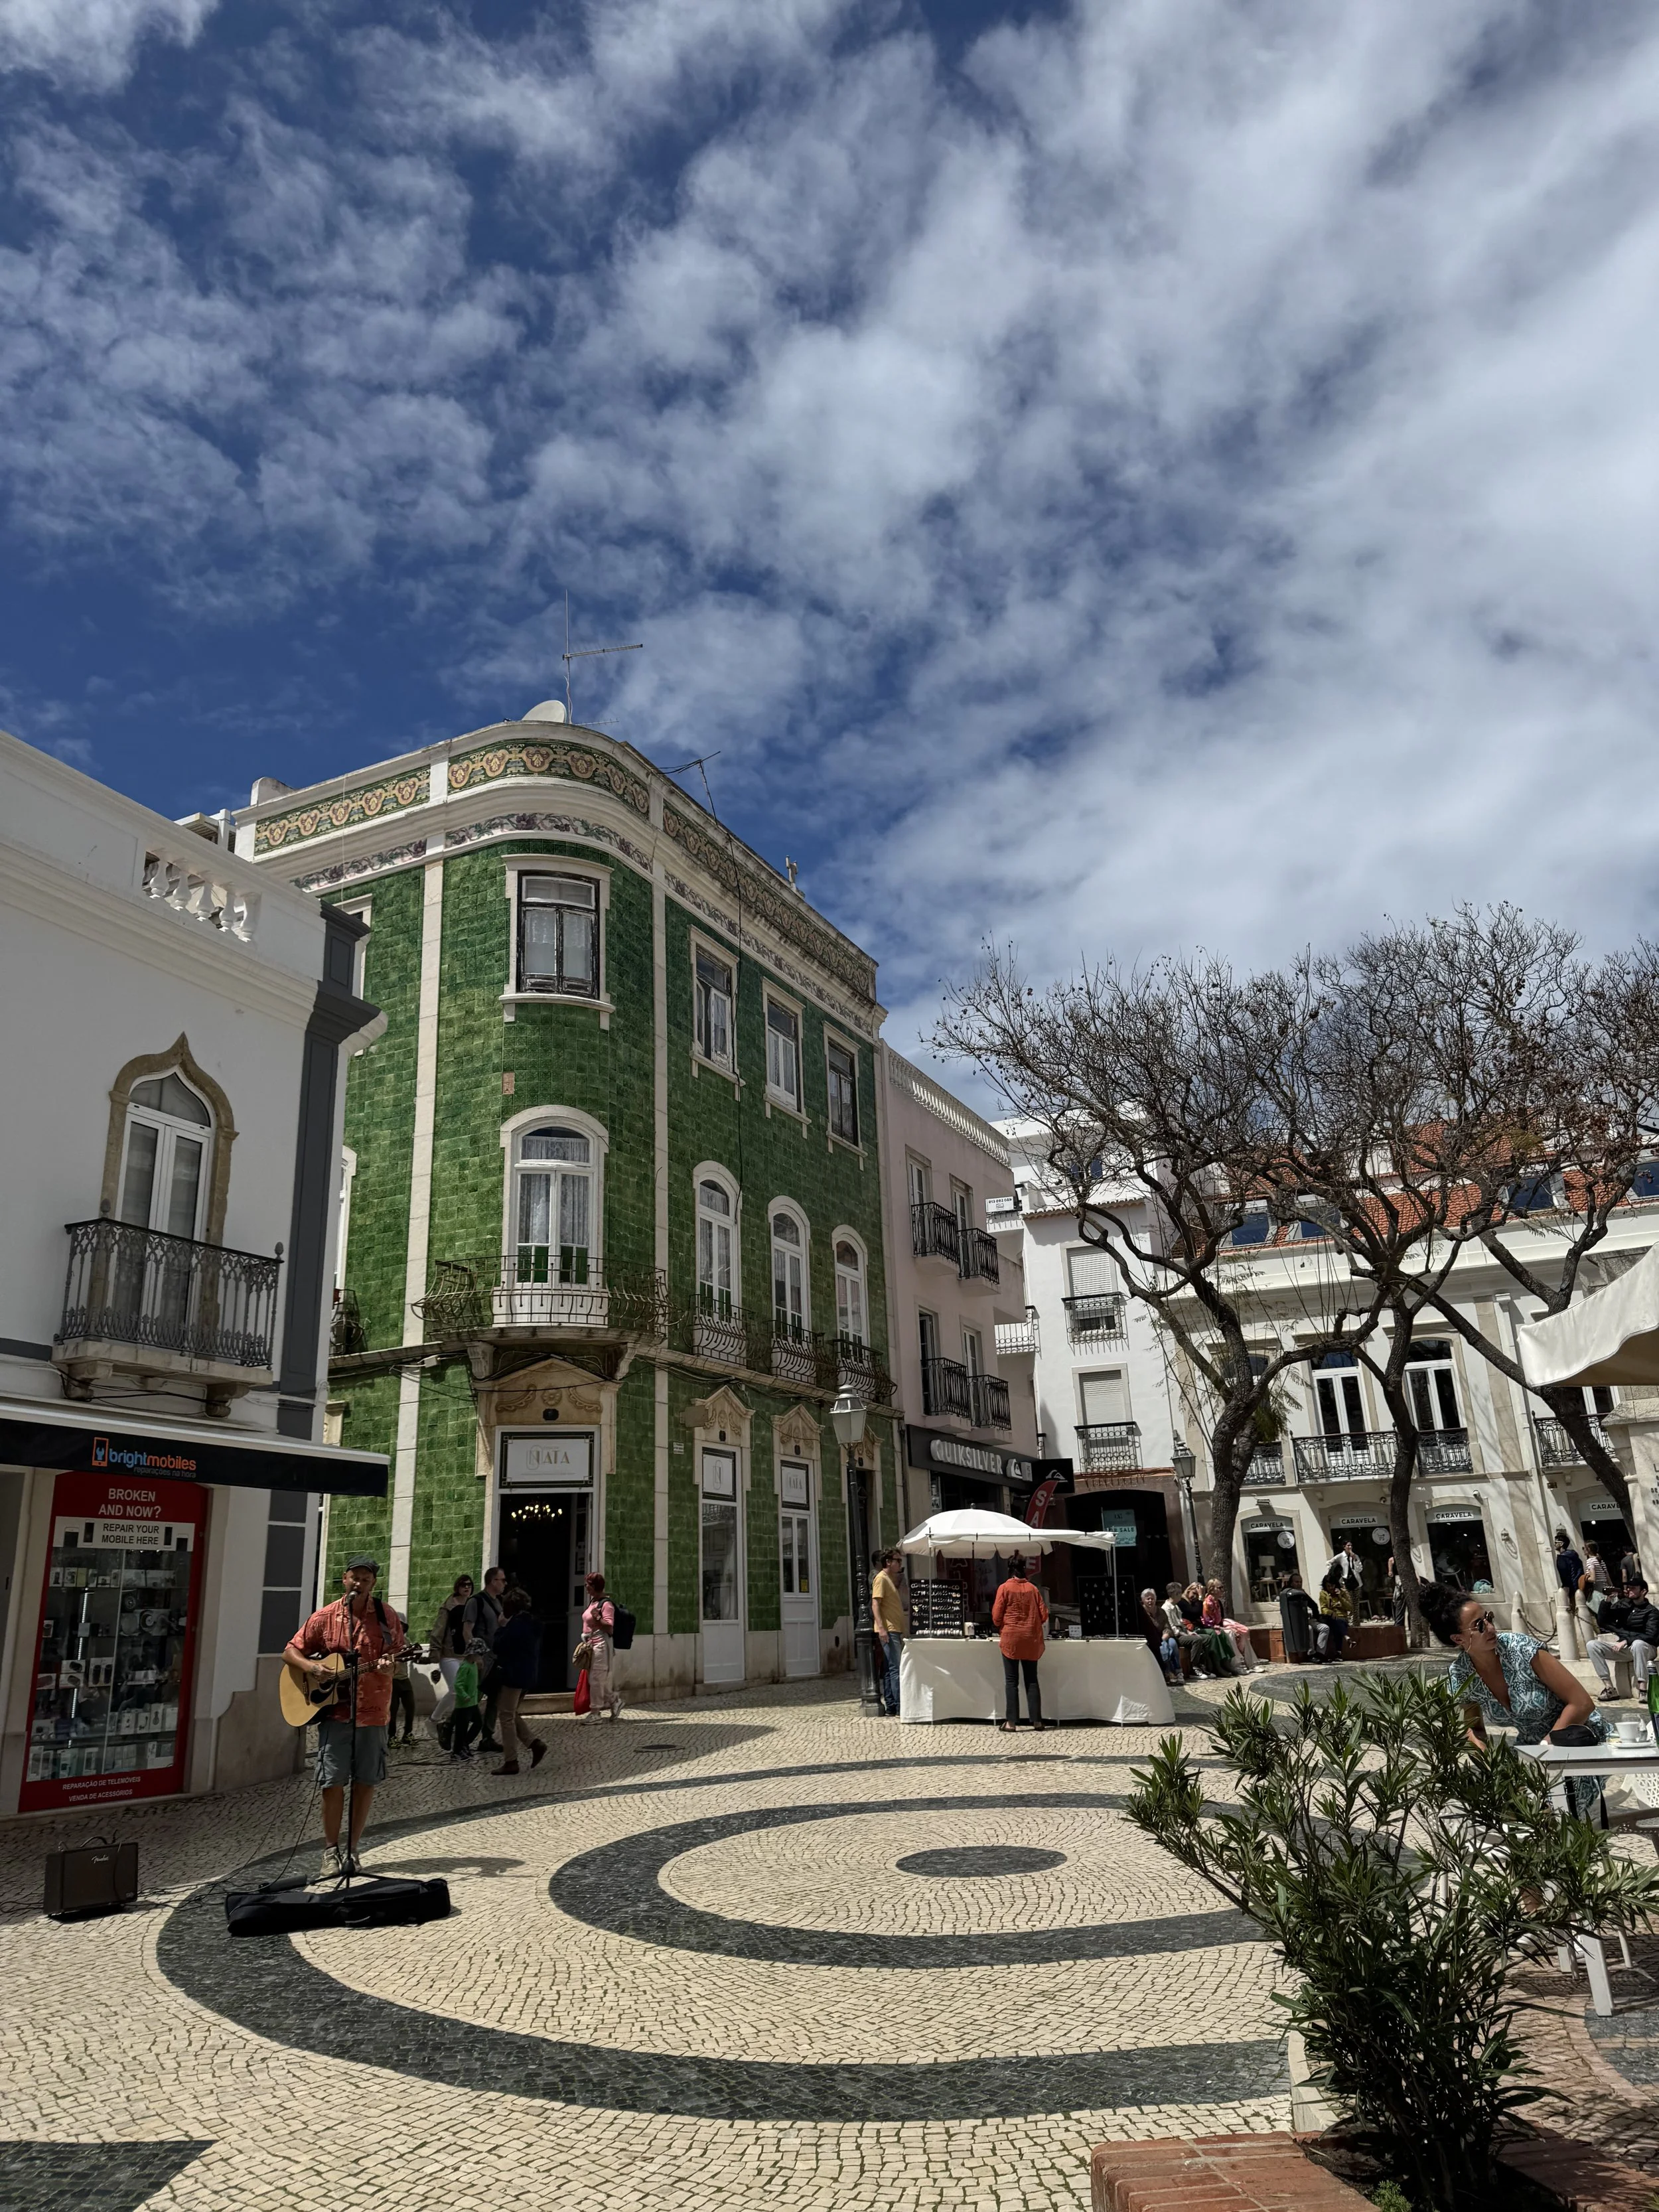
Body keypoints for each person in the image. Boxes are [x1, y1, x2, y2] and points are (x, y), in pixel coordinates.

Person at [1418, 1580, 1606, 1816]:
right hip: (1531, 1751)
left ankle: (1570, 1845)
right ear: (1458, 1639)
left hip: (1578, 1737)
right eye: (1479, 1625)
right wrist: (1491, 1768)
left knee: (1546, 1807)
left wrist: (1545, 1749)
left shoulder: (1522, 1649)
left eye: (1489, 1617)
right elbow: (1474, 1730)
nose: (1491, 1627)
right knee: (1500, 1805)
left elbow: (1582, 1703)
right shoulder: (1461, 1675)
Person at [284, 1552, 404, 1880]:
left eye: (367, 1578)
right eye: (355, 1577)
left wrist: (390, 1665)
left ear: (374, 1583)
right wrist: (313, 1668)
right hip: (336, 1713)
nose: (360, 1583)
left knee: (366, 1781)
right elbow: (291, 1650)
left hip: (374, 1712)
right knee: (332, 1781)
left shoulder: (386, 1616)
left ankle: (352, 1849)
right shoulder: (325, 1617)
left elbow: (398, 1660)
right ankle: (329, 1851)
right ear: (345, 1579)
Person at [490, 1588, 547, 1775]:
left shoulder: (515, 1625)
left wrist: (501, 1627)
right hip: (527, 1675)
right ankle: (534, 1743)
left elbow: (499, 1646)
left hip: (513, 1675)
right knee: (511, 1712)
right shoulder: (532, 1622)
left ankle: (511, 1761)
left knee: (506, 1715)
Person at [993, 1556, 1049, 1730]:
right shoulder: (1033, 1589)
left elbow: (996, 1617)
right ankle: (1037, 1721)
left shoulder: (1004, 1588)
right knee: (1032, 1679)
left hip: (1011, 1640)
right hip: (1031, 1640)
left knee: (1011, 1681)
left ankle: (1011, 1723)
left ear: (1010, 1570)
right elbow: (1044, 1615)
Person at [1587, 1578, 1659, 1702]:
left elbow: (1652, 1636)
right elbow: (1603, 1622)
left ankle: (1643, 1690)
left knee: (1638, 1644)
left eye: (1633, 1588)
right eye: (1629, 1587)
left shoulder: (1652, 1612)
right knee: (1592, 1645)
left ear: (1643, 1592)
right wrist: (1607, 1601)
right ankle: (1609, 1688)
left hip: (1646, 1649)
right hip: (1626, 1649)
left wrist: (1627, 1641)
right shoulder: (1623, 1605)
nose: (1629, 1590)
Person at [463, 1567, 508, 1751]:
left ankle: (487, 1738)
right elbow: (467, 1630)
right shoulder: (476, 1602)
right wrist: (475, 1655)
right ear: (492, 1581)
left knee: (495, 1698)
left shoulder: (500, 1602)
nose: (505, 1583)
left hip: (496, 1658)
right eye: (502, 1580)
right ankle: (451, 1727)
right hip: (482, 1658)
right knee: (472, 1697)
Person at [429, 1574, 474, 1751]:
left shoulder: (472, 1605)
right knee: (456, 1691)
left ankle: (450, 1726)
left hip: (466, 1655)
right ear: (457, 1587)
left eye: (470, 1585)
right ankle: (434, 1720)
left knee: (465, 1695)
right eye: (463, 1585)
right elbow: (439, 1629)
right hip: (449, 1654)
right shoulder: (449, 1606)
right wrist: (435, 1651)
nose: (467, 1587)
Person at [581, 1572, 622, 1722]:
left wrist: (598, 1617)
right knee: (596, 1679)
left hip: (601, 1646)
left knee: (596, 1680)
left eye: (588, 1584)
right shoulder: (593, 1602)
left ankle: (596, 1712)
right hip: (591, 1645)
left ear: (594, 1586)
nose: (586, 1587)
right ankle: (614, 1701)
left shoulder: (606, 1604)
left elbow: (609, 1627)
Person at [871, 1548, 908, 1717]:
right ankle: (900, 1707)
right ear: (888, 1562)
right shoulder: (881, 1579)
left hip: (893, 1629)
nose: (900, 1563)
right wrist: (882, 1629)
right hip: (889, 1630)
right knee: (895, 1669)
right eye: (898, 1560)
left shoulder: (889, 1580)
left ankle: (892, 1706)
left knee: (889, 1668)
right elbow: (876, 1604)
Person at [1181, 1583, 1240, 1676]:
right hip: (1191, 1630)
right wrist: (1201, 1597)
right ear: (1188, 1591)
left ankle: (1226, 1663)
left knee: (1221, 1633)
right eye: (1194, 1593)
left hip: (1200, 1627)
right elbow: (1195, 1612)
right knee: (1212, 1634)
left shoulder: (1195, 1602)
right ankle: (1217, 1667)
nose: (1195, 1597)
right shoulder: (1182, 1602)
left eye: (1197, 1594)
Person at [1204, 1578, 1260, 1672]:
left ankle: (1252, 1663)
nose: (1223, 1590)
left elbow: (1220, 1619)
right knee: (1230, 1633)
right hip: (1212, 1628)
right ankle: (1238, 1665)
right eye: (1220, 1588)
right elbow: (1208, 1623)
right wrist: (1224, 1628)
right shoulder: (1207, 1604)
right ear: (1212, 1589)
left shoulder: (1218, 1602)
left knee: (1241, 1633)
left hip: (1219, 1626)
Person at [1141, 1587, 1181, 1686]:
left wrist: (1163, 1639)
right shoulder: (1142, 1613)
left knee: (1172, 1643)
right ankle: (1168, 1672)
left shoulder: (1161, 1612)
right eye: (1148, 1599)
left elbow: (1168, 1628)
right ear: (1143, 1600)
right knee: (1162, 1647)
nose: (1150, 1601)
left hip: (1163, 1637)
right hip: (1150, 1639)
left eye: (1152, 1598)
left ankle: (1178, 1671)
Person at [387, 1609, 415, 1747]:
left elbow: (413, 1658)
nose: (400, 1627)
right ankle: (391, 1737)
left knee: (411, 1708)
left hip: (404, 1679)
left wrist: (421, 1656)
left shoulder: (407, 1641)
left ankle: (408, 1734)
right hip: (392, 1679)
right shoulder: (388, 1640)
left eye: (402, 1624)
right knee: (393, 1710)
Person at [1278, 1571, 1321, 1664]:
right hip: (1291, 1622)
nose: (1299, 1584)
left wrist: (1315, 1618)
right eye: (1297, 1582)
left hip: (1302, 1621)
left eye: (1300, 1582)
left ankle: (1311, 1653)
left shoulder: (1301, 1593)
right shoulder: (1286, 1593)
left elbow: (1314, 1605)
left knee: (1309, 1629)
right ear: (1292, 1583)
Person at [449, 1647, 482, 1761]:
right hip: (464, 1703)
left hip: (472, 1702)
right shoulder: (465, 1666)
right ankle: (457, 1751)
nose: (480, 1656)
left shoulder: (473, 1665)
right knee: (461, 1728)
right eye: (478, 1654)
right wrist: (464, 1696)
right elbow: (458, 1684)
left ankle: (465, 1744)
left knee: (478, 1723)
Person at [1317, 1566, 1354, 1661]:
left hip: (1342, 1618)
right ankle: (1346, 1638)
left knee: (1338, 1625)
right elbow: (1323, 1608)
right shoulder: (1323, 1594)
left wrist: (1341, 1598)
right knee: (1336, 1622)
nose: (1331, 1588)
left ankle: (1339, 1653)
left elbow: (1350, 1607)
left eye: (1332, 1586)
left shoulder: (1342, 1592)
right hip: (1330, 1617)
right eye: (1328, 1586)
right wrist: (1331, 1611)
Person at [1553, 1529, 1585, 1597]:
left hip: (1570, 1588)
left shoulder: (1562, 1558)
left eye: (1556, 1542)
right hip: (1578, 1586)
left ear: (1561, 1544)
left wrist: (1565, 1587)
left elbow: (1564, 1575)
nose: (1554, 1544)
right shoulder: (1574, 1556)